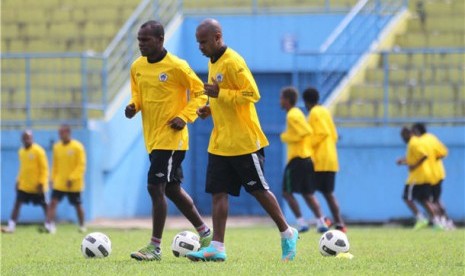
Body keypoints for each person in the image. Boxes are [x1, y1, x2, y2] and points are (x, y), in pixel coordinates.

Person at [187, 18, 298, 262]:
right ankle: (217, 246)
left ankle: (287, 232)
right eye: (198, 43)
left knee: (258, 190)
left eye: (203, 42)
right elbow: (224, 98)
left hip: (243, 142)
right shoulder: (212, 61)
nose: (200, 47)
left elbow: (252, 94)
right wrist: (211, 108)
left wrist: (220, 94)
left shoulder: (233, 61)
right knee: (218, 192)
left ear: (217, 37)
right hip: (220, 141)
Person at [125, 20, 212, 261]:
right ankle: (205, 232)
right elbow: (138, 93)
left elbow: (200, 92)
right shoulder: (137, 67)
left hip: (172, 139)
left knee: (155, 186)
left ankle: (155, 246)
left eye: (146, 40)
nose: (141, 45)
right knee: (172, 189)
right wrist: (134, 106)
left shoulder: (176, 66)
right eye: (139, 40)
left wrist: (184, 117)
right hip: (152, 138)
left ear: (161, 40)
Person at [279, 87, 330, 233]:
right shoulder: (297, 113)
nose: (280, 101)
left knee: (286, 192)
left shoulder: (292, 115)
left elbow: (306, 132)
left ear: (287, 100)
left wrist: (286, 136)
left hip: (297, 159)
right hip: (306, 159)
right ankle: (321, 222)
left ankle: (301, 223)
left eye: (281, 98)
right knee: (307, 193)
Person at [302, 87, 346, 233]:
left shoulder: (314, 112)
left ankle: (323, 219)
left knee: (306, 191)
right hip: (331, 157)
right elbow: (334, 134)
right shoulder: (325, 111)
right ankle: (339, 224)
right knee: (328, 193)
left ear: (306, 102)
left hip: (320, 159)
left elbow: (322, 133)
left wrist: (307, 144)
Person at [2, 130, 49, 233]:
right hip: (25, 186)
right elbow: (22, 169)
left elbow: (44, 168)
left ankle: (50, 225)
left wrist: (41, 182)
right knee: (17, 204)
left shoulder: (39, 151)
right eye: (25, 138)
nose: (27, 140)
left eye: (29, 137)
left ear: (32, 138)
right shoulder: (21, 152)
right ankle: (11, 226)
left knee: (45, 205)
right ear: (22, 139)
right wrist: (18, 181)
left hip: (37, 186)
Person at [396, 127, 443, 230]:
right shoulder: (417, 142)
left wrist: (414, 166)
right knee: (424, 200)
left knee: (407, 198)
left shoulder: (413, 143)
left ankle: (421, 218)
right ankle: (437, 221)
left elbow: (424, 155)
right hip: (424, 176)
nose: (402, 139)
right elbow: (414, 158)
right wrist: (403, 161)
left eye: (403, 136)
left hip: (417, 177)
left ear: (408, 134)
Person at [411, 122, 455, 229]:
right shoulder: (432, 138)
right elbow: (444, 152)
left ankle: (438, 221)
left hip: (426, 175)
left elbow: (421, 156)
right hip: (439, 173)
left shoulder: (419, 141)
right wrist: (434, 158)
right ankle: (446, 221)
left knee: (424, 199)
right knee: (436, 199)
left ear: (417, 131)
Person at [46, 124, 87, 234]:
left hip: (74, 184)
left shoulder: (78, 147)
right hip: (60, 182)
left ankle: (82, 225)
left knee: (77, 205)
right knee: (53, 202)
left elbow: (81, 165)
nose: (60, 135)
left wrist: (72, 178)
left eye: (62, 132)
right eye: (59, 133)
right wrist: (52, 179)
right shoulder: (57, 147)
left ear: (68, 133)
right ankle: (50, 225)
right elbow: (55, 165)